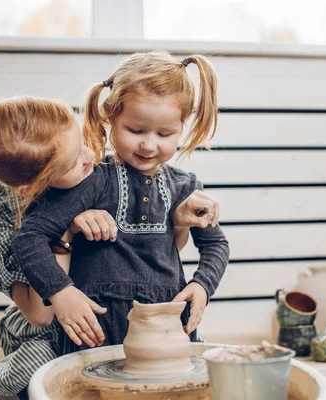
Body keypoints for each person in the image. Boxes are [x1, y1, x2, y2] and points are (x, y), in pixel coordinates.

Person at [0, 96, 219, 398]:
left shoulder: (89, 168)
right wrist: (66, 232)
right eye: (74, 158)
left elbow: (157, 254)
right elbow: (40, 314)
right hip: (54, 323)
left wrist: (179, 223)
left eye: (82, 142)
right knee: (47, 379)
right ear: (33, 186)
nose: (90, 154)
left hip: (117, 315)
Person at [12, 51, 229, 354]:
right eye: (135, 130)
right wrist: (60, 292)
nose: (149, 144)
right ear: (110, 117)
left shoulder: (186, 187)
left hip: (167, 328)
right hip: (95, 330)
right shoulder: (92, 179)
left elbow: (216, 244)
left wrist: (203, 285)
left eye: (165, 133)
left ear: (182, 126)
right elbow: (30, 237)